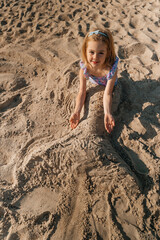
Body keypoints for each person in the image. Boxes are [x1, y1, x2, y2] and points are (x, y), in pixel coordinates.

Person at [70, 29, 119, 134]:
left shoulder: (110, 70)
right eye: (91, 52)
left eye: (101, 53)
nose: (95, 57)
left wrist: (107, 113)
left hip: (109, 86)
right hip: (95, 83)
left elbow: (108, 93)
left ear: (108, 52)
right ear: (85, 51)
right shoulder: (85, 69)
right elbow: (82, 92)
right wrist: (77, 111)